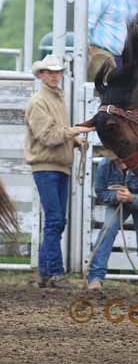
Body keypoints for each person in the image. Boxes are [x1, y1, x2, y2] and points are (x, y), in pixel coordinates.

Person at [24, 54, 95, 288]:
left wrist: (74, 141)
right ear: (41, 75)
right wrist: (75, 132)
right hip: (46, 167)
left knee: (56, 221)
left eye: (57, 72)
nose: (55, 76)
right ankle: (54, 272)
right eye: (50, 72)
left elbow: (56, 133)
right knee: (55, 220)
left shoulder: (54, 99)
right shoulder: (38, 102)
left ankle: (45, 273)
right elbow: (49, 136)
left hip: (57, 166)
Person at [86, 156, 138, 292]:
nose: (120, 163)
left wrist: (132, 198)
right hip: (118, 202)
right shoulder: (105, 165)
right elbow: (101, 192)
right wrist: (115, 196)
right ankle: (95, 278)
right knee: (106, 232)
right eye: (117, 160)